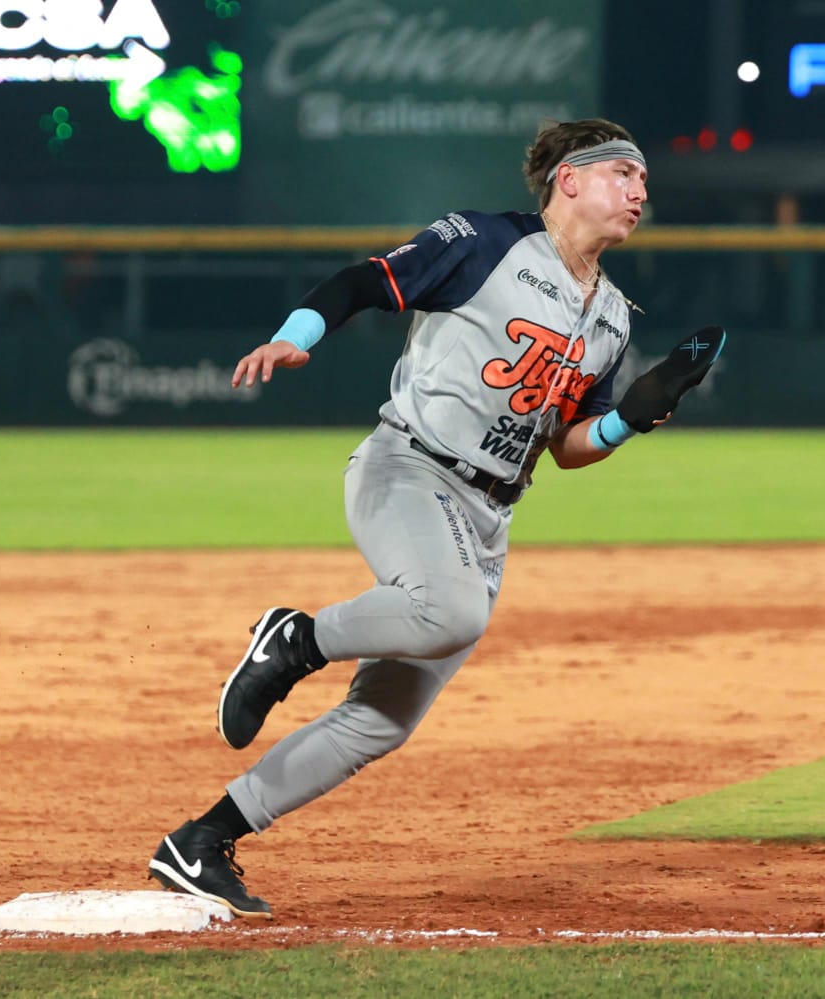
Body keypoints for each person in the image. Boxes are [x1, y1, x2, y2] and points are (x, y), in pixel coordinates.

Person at [146, 118, 725, 918]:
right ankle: (293, 639)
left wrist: (629, 418)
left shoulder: (613, 317)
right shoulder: (485, 243)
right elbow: (362, 281)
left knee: (381, 719)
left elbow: (566, 447)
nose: (639, 191)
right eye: (623, 173)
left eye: (643, 180)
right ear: (568, 179)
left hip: (489, 515)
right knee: (447, 612)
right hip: (410, 469)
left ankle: (201, 840)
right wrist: (293, 336)